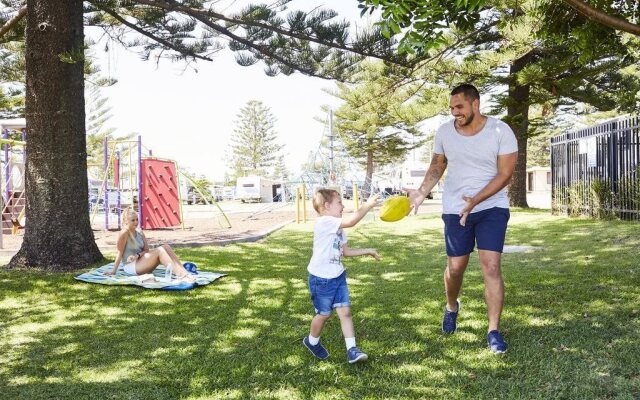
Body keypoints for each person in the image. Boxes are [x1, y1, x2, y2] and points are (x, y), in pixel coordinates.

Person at [405, 83, 518, 354]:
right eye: (452, 108)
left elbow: (505, 175)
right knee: (456, 268)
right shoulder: (445, 132)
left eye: (460, 107)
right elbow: (437, 165)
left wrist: (476, 200)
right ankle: (451, 306)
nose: (455, 112)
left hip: (491, 207)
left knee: (490, 267)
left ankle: (493, 330)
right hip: (456, 209)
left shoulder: (501, 131)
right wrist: (421, 193)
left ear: (475, 104)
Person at [303, 189, 381, 364]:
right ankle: (311, 341)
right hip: (321, 279)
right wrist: (367, 205)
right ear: (327, 205)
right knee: (323, 315)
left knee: (345, 312)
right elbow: (352, 221)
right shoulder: (324, 222)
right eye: (339, 202)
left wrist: (368, 251)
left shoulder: (338, 227)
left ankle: (352, 350)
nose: (343, 205)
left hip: (338, 276)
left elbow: (345, 252)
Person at [105, 208, 196, 282]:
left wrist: (137, 255)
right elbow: (119, 253)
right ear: (126, 221)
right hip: (131, 267)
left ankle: (185, 272)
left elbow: (146, 250)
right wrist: (114, 271)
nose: (136, 222)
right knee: (160, 250)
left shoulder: (140, 232)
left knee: (165, 247)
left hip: (142, 262)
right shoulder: (124, 233)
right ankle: (181, 276)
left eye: (137, 219)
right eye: (133, 220)